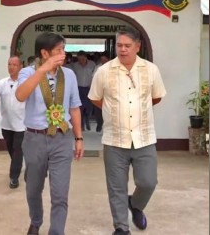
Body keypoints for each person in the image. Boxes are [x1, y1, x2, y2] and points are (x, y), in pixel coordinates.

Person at [88, 27, 166, 235]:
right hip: (114, 139)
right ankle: (121, 227)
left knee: (148, 182)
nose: (122, 50)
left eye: (127, 46)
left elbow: (156, 97)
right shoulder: (104, 71)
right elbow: (95, 97)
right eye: (119, 45)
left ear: (137, 47)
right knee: (116, 188)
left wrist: (136, 109)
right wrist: (114, 110)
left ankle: (136, 204)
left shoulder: (151, 70)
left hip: (144, 137)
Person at [15, 32, 84, 235]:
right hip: (35, 138)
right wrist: (43, 70)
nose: (63, 54)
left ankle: (56, 231)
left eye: (64, 49)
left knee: (60, 193)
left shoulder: (69, 75)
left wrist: (79, 138)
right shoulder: (28, 73)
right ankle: (36, 220)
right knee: (33, 189)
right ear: (44, 53)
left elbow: (74, 107)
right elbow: (20, 95)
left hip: (62, 138)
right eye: (58, 50)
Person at [0, 55, 26, 189]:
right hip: (6, 124)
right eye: (9, 64)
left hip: (22, 124)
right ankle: (18, 164)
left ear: (20, 66)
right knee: (11, 149)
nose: (11, 67)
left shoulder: (25, 83)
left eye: (14, 64)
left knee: (17, 150)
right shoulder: (2, 83)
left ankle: (14, 177)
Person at [71, 50, 96, 131]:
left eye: (82, 59)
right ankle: (81, 125)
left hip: (89, 88)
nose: (81, 61)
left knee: (88, 107)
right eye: (79, 59)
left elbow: (95, 76)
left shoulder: (92, 64)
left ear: (86, 58)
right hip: (79, 89)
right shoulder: (75, 66)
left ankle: (87, 119)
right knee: (80, 108)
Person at [92, 52, 110, 132]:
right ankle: (99, 123)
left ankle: (107, 126)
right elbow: (93, 78)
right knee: (98, 109)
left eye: (104, 60)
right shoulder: (98, 67)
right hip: (99, 91)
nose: (103, 61)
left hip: (109, 91)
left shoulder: (113, 67)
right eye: (102, 59)